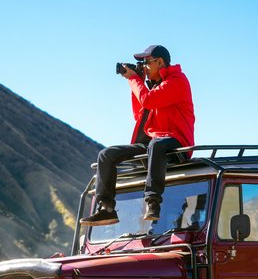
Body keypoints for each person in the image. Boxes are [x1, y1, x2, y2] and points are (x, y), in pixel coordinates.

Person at [80, 45, 195, 226]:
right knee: (106, 155)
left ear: (160, 62)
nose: (144, 66)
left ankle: (153, 202)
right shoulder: (153, 86)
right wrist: (137, 81)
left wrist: (134, 79)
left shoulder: (177, 80)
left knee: (156, 145)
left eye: (146, 62)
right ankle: (106, 209)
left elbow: (149, 100)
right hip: (151, 142)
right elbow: (140, 114)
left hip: (175, 142)